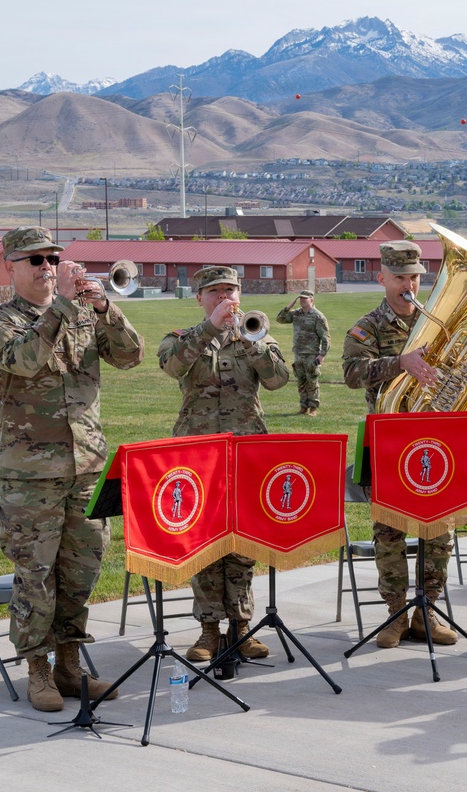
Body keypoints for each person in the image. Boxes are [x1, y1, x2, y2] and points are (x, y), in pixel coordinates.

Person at [0, 226, 144, 712]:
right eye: (35, 260)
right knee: (36, 576)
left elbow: (131, 356)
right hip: (31, 475)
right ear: (10, 266)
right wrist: (66, 307)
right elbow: (26, 361)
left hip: (87, 468)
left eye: (52, 258)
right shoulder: (0, 324)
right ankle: (38, 670)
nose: (47, 267)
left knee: (81, 572)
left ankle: (71, 667)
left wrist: (104, 308)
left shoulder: (81, 313)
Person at [158, 266, 291, 662]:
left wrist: (250, 341)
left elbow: (279, 380)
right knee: (204, 541)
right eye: (214, 291)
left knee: (242, 543)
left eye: (230, 290)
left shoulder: (256, 335)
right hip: (197, 454)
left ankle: (242, 626)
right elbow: (172, 366)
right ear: (199, 298)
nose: (223, 297)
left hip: (246, 452)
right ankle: (208, 630)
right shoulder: (181, 338)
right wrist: (210, 330)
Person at [341, 241, 458, 649]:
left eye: (414, 277)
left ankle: (428, 612)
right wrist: (400, 362)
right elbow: (353, 374)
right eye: (399, 278)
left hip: (433, 440)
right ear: (382, 279)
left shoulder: (438, 323)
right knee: (388, 532)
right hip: (386, 440)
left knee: (439, 530)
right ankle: (394, 615)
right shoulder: (367, 326)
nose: (408, 285)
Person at [276, 290, 330, 416]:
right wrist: (289, 307)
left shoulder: (318, 316)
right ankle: (303, 406)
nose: (302, 301)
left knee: (312, 381)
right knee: (301, 381)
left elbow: (325, 337)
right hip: (298, 353)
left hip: (311, 354)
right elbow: (280, 319)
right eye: (300, 299)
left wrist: (322, 354)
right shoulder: (296, 314)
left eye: (305, 299)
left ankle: (313, 408)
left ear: (311, 300)